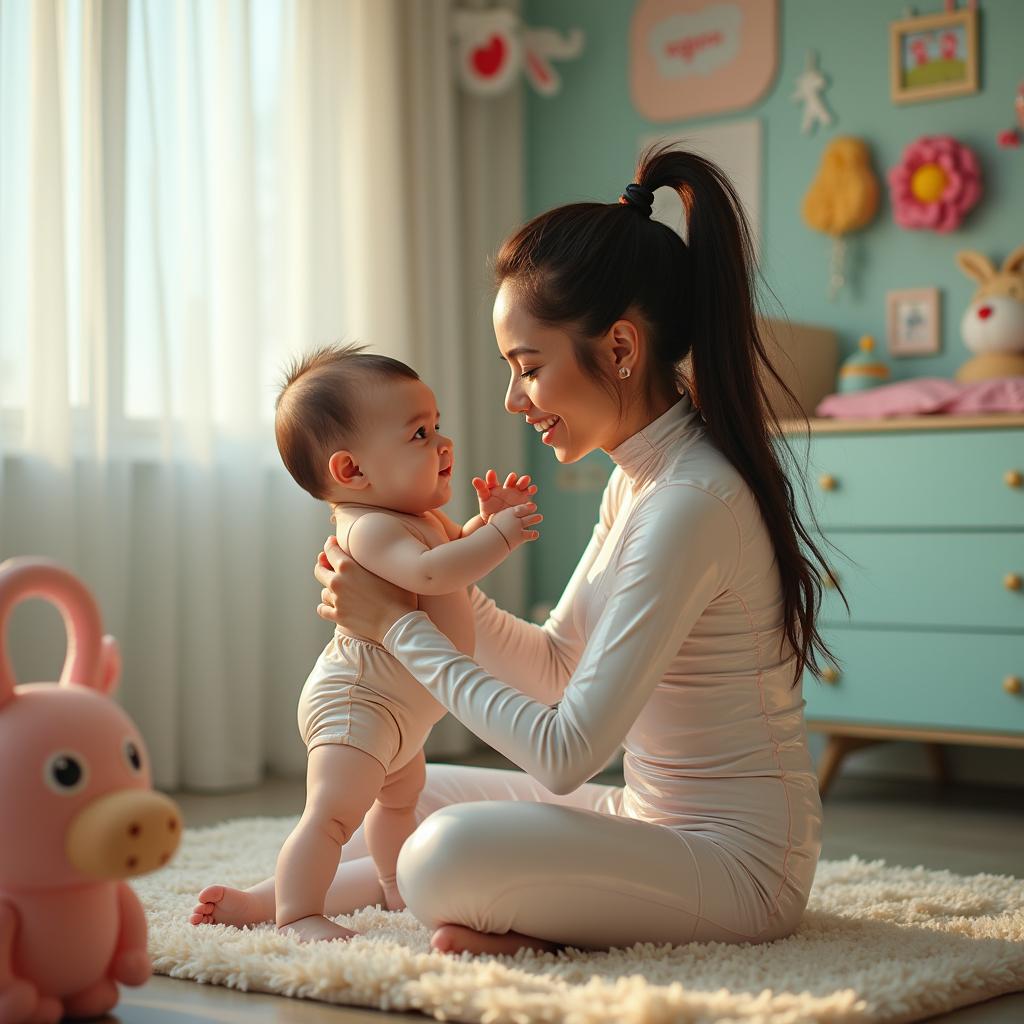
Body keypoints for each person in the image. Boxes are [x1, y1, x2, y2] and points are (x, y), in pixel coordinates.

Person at [192, 145, 838, 957]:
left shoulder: (688, 502)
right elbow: (561, 667)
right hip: (649, 819)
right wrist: (429, 582)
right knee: (414, 792)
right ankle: (356, 903)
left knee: (441, 848)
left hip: (742, 871)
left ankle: (516, 926)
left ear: (622, 350)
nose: (511, 399)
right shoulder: (638, 479)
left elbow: (567, 755)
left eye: (527, 368)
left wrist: (400, 627)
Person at [190, 345, 541, 942]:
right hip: (359, 702)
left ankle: (395, 888)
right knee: (331, 816)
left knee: (399, 804)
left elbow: (452, 559)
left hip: (401, 713)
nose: (443, 444)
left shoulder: (417, 518)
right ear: (352, 472)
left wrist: (485, 523)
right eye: (420, 434)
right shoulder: (371, 528)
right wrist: (501, 538)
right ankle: (297, 913)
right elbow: (434, 575)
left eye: (438, 426)